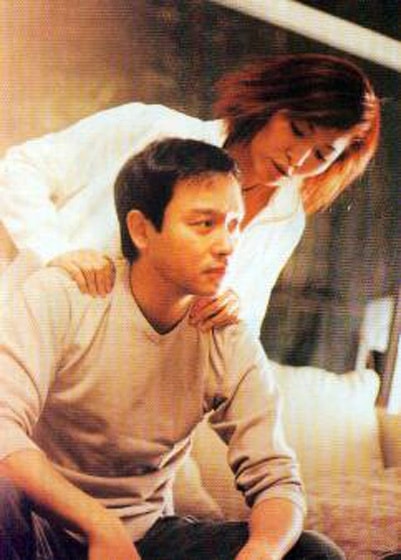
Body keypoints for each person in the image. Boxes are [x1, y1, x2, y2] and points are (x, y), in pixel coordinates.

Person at [0, 138, 345, 560]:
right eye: (204, 224)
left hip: (147, 539)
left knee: (313, 553)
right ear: (141, 230)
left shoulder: (225, 335)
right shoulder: (65, 295)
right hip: (37, 530)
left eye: (234, 224)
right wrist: (99, 525)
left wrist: (264, 551)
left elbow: (276, 478)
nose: (227, 244)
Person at [0, 53, 380, 336]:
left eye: (321, 155)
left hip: (120, 383)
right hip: (32, 330)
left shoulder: (285, 218)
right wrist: (55, 251)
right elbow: (21, 167)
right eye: (297, 130)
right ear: (271, 103)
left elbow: (246, 325)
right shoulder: (153, 129)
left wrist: (235, 309)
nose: (298, 159)